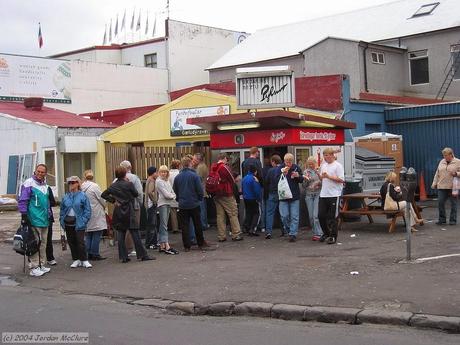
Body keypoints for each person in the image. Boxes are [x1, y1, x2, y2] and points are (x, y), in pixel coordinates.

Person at [102, 167, 154, 263]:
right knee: (135, 233)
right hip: (129, 210)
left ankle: (123, 257)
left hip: (118, 210)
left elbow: (103, 194)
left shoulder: (113, 186)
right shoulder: (129, 184)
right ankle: (142, 255)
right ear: (125, 174)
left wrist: (114, 201)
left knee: (121, 233)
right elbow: (135, 194)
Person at [173, 156, 213, 251]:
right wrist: (198, 199)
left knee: (184, 226)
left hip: (182, 204)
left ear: (182, 165)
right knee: (197, 224)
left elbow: (175, 189)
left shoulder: (178, 177)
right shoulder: (195, 176)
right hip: (194, 203)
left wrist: (179, 198)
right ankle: (200, 242)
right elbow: (200, 190)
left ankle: (187, 246)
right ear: (190, 164)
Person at [18, 164, 52, 277]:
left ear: (45, 173)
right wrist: (24, 215)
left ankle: (42, 264)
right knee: (34, 244)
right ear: (35, 171)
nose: (40, 173)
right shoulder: (29, 183)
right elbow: (23, 200)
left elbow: (47, 202)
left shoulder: (45, 185)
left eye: (42, 172)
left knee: (43, 243)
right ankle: (34, 266)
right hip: (33, 219)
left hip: (44, 219)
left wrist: (49, 214)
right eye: (38, 171)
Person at [59, 176, 92, 268]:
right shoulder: (66, 197)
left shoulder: (83, 195)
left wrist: (84, 220)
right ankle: (76, 259)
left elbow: (87, 210)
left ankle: (84, 259)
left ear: (78, 183)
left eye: (73, 182)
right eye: (69, 183)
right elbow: (62, 209)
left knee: (80, 242)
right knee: (71, 241)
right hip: (68, 222)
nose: (71, 184)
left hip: (79, 222)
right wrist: (62, 219)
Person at [212, 153, 244, 242]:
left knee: (220, 215)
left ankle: (221, 236)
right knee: (233, 213)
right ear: (225, 158)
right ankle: (236, 234)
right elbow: (231, 179)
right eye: (227, 159)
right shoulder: (224, 167)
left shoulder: (213, 167)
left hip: (216, 194)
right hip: (226, 193)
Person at [318, 148, 344, 245]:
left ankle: (333, 236)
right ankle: (326, 233)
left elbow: (341, 180)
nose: (325, 157)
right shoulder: (323, 165)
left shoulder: (338, 166)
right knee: (320, 215)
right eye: (324, 155)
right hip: (323, 193)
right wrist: (319, 174)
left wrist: (329, 176)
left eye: (327, 155)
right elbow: (321, 178)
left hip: (334, 194)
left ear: (332, 155)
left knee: (333, 217)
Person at [81, 170, 107, 260]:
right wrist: (105, 206)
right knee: (97, 232)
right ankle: (95, 253)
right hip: (96, 212)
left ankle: (88, 253)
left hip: (86, 212)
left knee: (89, 233)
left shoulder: (82, 186)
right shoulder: (94, 186)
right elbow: (101, 198)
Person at [119, 160, 143, 257]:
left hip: (121, 206)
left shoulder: (116, 179)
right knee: (132, 227)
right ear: (130, 167)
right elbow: (139, 192)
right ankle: (130, 249)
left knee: (122, 228)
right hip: (134, 206)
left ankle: (122, 250)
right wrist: (140, 203)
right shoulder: (134, 178)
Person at [278, 153, 304, 242]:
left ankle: (293, 234)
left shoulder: (296, 168)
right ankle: (289, 229)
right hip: (283, 196)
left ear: (292, 161)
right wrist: (283, 174)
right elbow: (275, 180)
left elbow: (302, 180)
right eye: (286, 161)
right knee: (284, 216)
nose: (288, 163)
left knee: (295, 216)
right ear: (284, 161)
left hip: (294, 196)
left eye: (290, 161)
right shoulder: (280, 168)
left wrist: (298, 176)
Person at [432, 147, 460, 225]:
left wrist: (456, 174)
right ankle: (442, 219)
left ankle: (453, 220)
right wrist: (434, 183)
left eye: (446, 155)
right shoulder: (442, 161)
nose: (444, 157)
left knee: (453, 204)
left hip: (453, 187)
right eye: (443, 155)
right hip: (442, 186)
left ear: (451, 154)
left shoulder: (458, 162)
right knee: (440, 203)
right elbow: (437, 173)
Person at [156, 165, 179, 255]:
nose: (164, 173)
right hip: (163, 204)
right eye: (162, 172)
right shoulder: (159, 181)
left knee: (163, 225)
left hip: (167, 203)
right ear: (159, 172)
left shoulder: (166, 181)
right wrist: (173, 196)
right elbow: (167, 194)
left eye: (165, 172)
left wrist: (172, 196)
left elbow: (172, 192)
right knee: (164, 225)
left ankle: (162, 245)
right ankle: (167, 245)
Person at [242, 147, 265, 232]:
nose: (258, 154)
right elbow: (260, 175)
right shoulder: (257, 162)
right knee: (258, 209)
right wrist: (262, 185)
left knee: (248, 209)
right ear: (256, 152)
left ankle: (246, 226)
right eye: (258, 152)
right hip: (256, 186)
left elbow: (243, 175)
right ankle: (259, 226)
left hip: (246, 188)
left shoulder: (244, 162)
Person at [302, 156, 323, 241]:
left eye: (312, 164)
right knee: (311, 216)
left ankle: (319, 233)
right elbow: (304, 186)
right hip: (309, 195)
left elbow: (323, 182)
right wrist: (306, 180)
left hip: (318, 194)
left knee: (315, 215)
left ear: (315, 163)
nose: (311, 165)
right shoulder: (306, 172)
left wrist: (318, 183)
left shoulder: (319, 170)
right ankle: (315, 232)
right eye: (309, 164)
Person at [264, 155, 282, 239]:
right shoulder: (283, 169)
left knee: (270, 213)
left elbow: (266, 182)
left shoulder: (270, 170)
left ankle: (269, 232)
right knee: (282, 213)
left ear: (274, 162)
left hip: (272, 194)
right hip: (282, 194)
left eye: (271, 162)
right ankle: (284, 230)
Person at [242, 165, 262, 236]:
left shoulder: (244, 178)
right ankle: (252, 229)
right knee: (257, 213)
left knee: (248, 213)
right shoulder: (254, 179)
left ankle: (246, 227)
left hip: (246, 198)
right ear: (255, 171)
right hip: (253, 198)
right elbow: (257, 190)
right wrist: (259, 199)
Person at [192, 153, 210, 230]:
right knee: (203, 209)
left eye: (194, 159)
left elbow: (197, 180)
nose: (193, 161)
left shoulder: (199, 168)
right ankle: (204, 223)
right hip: (203, 190)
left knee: (201, 209)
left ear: (198, 160)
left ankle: (202, 225)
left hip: (201, 191)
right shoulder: (204, 166)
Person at [144, 166, 159, 249]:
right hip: (151, 205)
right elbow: (150, 192)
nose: (157, 174)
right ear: (153, 173)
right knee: (152, 225)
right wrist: (155, 201)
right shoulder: (152, 180)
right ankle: (151, 243)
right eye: (156, 172)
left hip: (148, 205)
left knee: (151, 224)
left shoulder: (148, 179)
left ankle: (152, 242)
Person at [169, 160, 181, 233]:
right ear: (178, 166)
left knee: (173, 212)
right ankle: (183, 226)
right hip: (180, 194)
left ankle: (175, 228)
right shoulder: (179, 173)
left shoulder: (168, 174)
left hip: (171, 195)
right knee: (183, 211)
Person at [46, 186, 57, 266]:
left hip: (48, 217)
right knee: (36, 240)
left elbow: (53, 202)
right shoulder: (31, 187)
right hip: (35, 218)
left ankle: (50, 258)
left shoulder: (47, 188)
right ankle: (34, 260)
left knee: (48, 239)